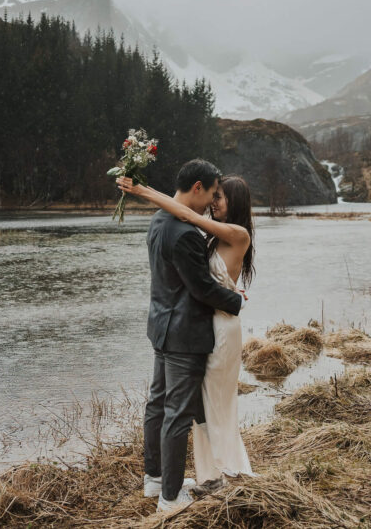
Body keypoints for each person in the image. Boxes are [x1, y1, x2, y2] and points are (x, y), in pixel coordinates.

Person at [127, 159, 246, 513]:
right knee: (177, 413)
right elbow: (202, 289)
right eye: (212, 192)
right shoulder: (186, 233)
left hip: (160, 327)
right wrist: (235, 300)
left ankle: (155, 480)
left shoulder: (160, 220)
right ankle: (170, 498)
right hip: (184, 335)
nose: (212, 201)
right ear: (198, 188)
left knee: (157, 404)